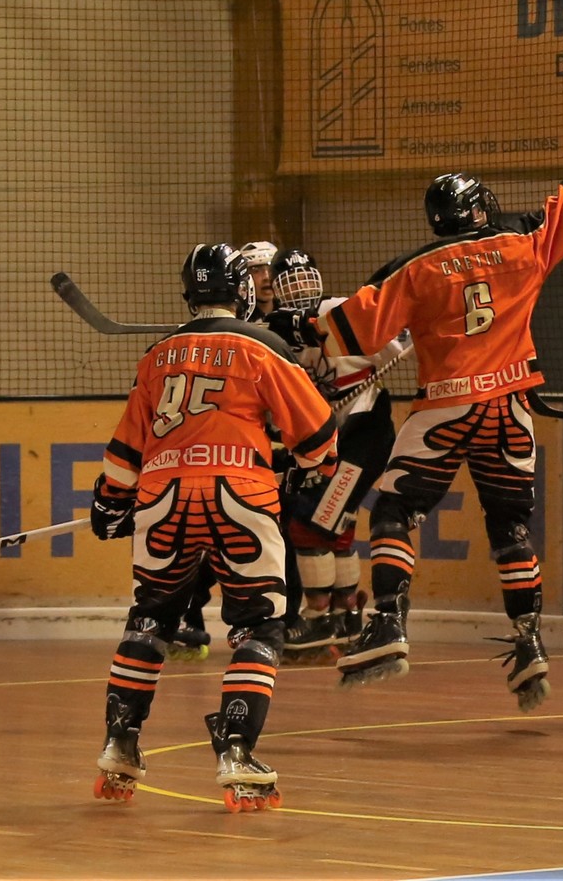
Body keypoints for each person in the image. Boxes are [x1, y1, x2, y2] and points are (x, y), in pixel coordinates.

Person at [266, 117, 563, 712]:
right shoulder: (522, 242)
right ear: (479, 208)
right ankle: (529, 640)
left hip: (447, 406)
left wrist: (296, 324)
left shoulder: (415, 268)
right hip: (511, 407)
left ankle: (388, 624)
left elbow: (352, 331)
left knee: (394, 511)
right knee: (510, 529)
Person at [89, 242, 337, 811]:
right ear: (243, 290)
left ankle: (119, 744)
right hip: (240, 496)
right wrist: (301, 467)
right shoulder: (263, 346)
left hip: (162, 498)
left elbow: (125, 453)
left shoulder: (156, 356)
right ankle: (237, 750)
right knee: (258, 628)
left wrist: (109, 503)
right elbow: (320, 437)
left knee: (149, 621)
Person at [269, 247, 406, 663]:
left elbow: (397, 342)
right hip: (332, 440)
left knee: (310, 524)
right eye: (289, 280)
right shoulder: (274, 331)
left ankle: (318, 617)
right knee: (337, 526)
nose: (300, 286)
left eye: (304, 276)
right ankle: (348, 616)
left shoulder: (341, 311)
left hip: (363, 434)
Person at [165, 238, 284, 662]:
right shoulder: (246, 336)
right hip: (243, 458)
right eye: (255, 270)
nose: (264, 278)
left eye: (269, 268)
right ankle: (194, 616)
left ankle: (286, 620)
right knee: (211, 538)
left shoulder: (286, 327)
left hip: (268, 449)